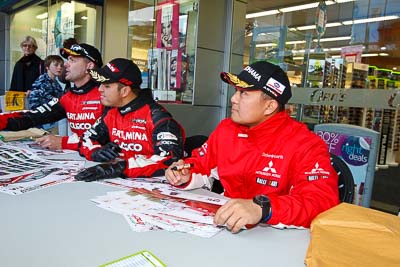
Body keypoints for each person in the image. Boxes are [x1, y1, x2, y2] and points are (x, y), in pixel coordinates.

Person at [165, 61, 339, 233]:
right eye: (236, 91)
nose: (233, 99)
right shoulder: (227, 129)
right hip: (224, 231)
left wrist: (261, 209)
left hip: (278, 240)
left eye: (243, 93)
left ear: (269, 106)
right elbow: (200, 165)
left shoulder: (306, 144)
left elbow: (321, 203)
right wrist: (184, 173)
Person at [75, 58, 185, 182]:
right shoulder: (111, 113)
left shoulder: (157, 117)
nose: (99, 89)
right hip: (116, 185)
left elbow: (169, 160)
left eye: (106, 86)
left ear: (125, 91)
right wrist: (95, 151)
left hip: (152, 190)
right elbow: (85, 139)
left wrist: (119, 168)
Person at [0, 43, 104, 151]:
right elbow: (32, 117)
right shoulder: (68, 98)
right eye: (67, 59)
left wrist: (63, 142)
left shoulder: (106, 95)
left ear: (89, 66)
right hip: (82, 160)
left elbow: (109, 140)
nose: (66, 65)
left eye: (72, 60)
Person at [29, 55, 64, 130]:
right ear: (47, 67)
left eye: (61, 65)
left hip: (48, 117)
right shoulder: (42, 81)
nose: (59, 67)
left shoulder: (54, 82)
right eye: (56, 65)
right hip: (41, 120)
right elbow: (54, 101)